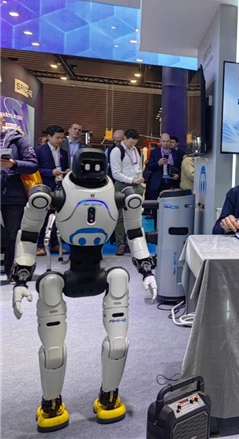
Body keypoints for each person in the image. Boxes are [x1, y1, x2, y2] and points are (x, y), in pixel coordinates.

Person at [10, 147, 157, 432]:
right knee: (53, 341)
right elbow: (27, 235)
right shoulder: (53, 194)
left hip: (101, 271)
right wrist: (20, 279)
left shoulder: (120, 195)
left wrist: (146, 270)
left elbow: (135, 233)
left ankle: (109, 396)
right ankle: (51, 402)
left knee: (118, 338)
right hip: (68, 274)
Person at [0, 117, 38, 277]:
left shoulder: (17, 140)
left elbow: (33, 164)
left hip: (12, 195)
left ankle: (11, 271)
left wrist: (14, 164)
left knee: (12, 235)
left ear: (2, 122)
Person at [35, 125, 70, 256]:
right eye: (57, 138)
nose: (60, 140)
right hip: (44, 186)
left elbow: (65, 167)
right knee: (42, 217)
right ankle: (40, 245)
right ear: (49, 137)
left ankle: (55, 244)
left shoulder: (64, 152)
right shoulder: (39, 150)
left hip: (60, 186)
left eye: (62, 138)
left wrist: (67, 171)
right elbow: (34, 169)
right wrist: (50, 172)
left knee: (57, 216)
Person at [110, 129, 145, 256]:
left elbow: (138, 166)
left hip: (137, 185)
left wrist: (139, 179)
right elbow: (115, 173)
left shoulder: (136, 150)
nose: (132, 145)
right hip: (122, 185)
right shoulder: (117, 151)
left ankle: (134, 243)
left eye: (134, 143)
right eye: (130, 142)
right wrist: (131, 180)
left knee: (135, 216)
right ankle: (120, 244)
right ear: (124, 138)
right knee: (120, 216)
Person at [144, 133, 182, 228]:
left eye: (167, 141)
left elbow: (180, 168)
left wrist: (178, 175)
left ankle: (169, 228)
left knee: (171, 208)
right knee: (157, 209)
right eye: (163, 141)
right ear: (160, 141)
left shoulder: (177, 153)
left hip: (171, 183)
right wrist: (158, 163)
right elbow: (149, 166)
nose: (165, 143)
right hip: (158, 183)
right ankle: (157, 229)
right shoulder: (155, 152)